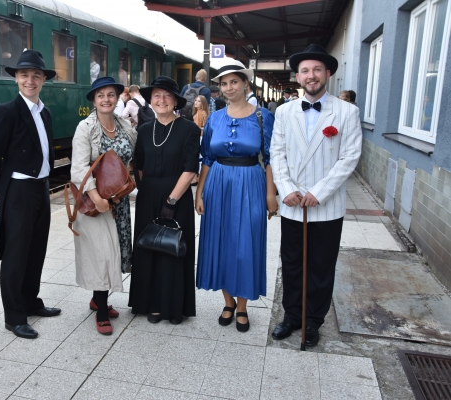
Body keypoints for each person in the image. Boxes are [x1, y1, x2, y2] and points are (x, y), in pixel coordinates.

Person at [270, 44, 362, 347]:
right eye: (306, 71)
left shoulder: (347, 112)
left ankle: (313, 321)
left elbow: (349, 158)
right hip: (294, 203)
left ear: (328, 73)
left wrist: (317, 193)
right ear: (298, 76)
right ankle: (292, 316)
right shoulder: (284, 112)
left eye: (317, 70)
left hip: (326, 205)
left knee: (321, 266)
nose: (312, 76)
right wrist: (287, 189)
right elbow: (277, 154)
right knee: (292, 262)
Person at [0, 50, 61, 339]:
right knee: (16, 255)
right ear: (16, 78)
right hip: (17, 190)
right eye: (25, 75)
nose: (30, 80)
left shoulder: (45, 112)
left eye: (36, 76)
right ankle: (14, 316)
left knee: (36, 249)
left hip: (40, 187)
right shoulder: (7, 111)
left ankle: (30, 301)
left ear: (43, 80)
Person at [195, 61, 278, 333]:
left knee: (245, 244)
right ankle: (227, 302)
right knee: (220, 241)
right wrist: (200, 191)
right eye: (223, 83)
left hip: (250, 182)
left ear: (245, 83)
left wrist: (270, 194)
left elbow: (268, 159)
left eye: (233, 82)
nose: (228, 88)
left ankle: (242, 306)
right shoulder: (215, 118)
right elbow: (207, 157)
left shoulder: (263, 117)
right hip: (217, 182)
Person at [128, 76, 200, 324]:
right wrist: (147, 191)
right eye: (157, 95)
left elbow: (190, 169)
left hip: (176, 196)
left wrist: (171, 200)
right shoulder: (144, 129)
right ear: (150, 100)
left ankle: (172, 305)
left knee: (172, 249)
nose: (161, 100)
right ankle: (150, 303)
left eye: (167, 95)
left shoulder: (189, 129)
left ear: (175, 101)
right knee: (149, 247)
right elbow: (138, 166)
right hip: (148, 196)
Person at [71, 76, 137, 335]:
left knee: (117, 251)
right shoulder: (85, 128)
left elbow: (130, 159)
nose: (106, 99)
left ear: (119, 97)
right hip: (96, 203)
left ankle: (99, 299)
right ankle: (100, 311)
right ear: (94, 100)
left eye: (111, 94)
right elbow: (78, 168)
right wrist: (97, 197)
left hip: (118, 202)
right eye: (101, 95)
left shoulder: (125, 125)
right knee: (102, 255)